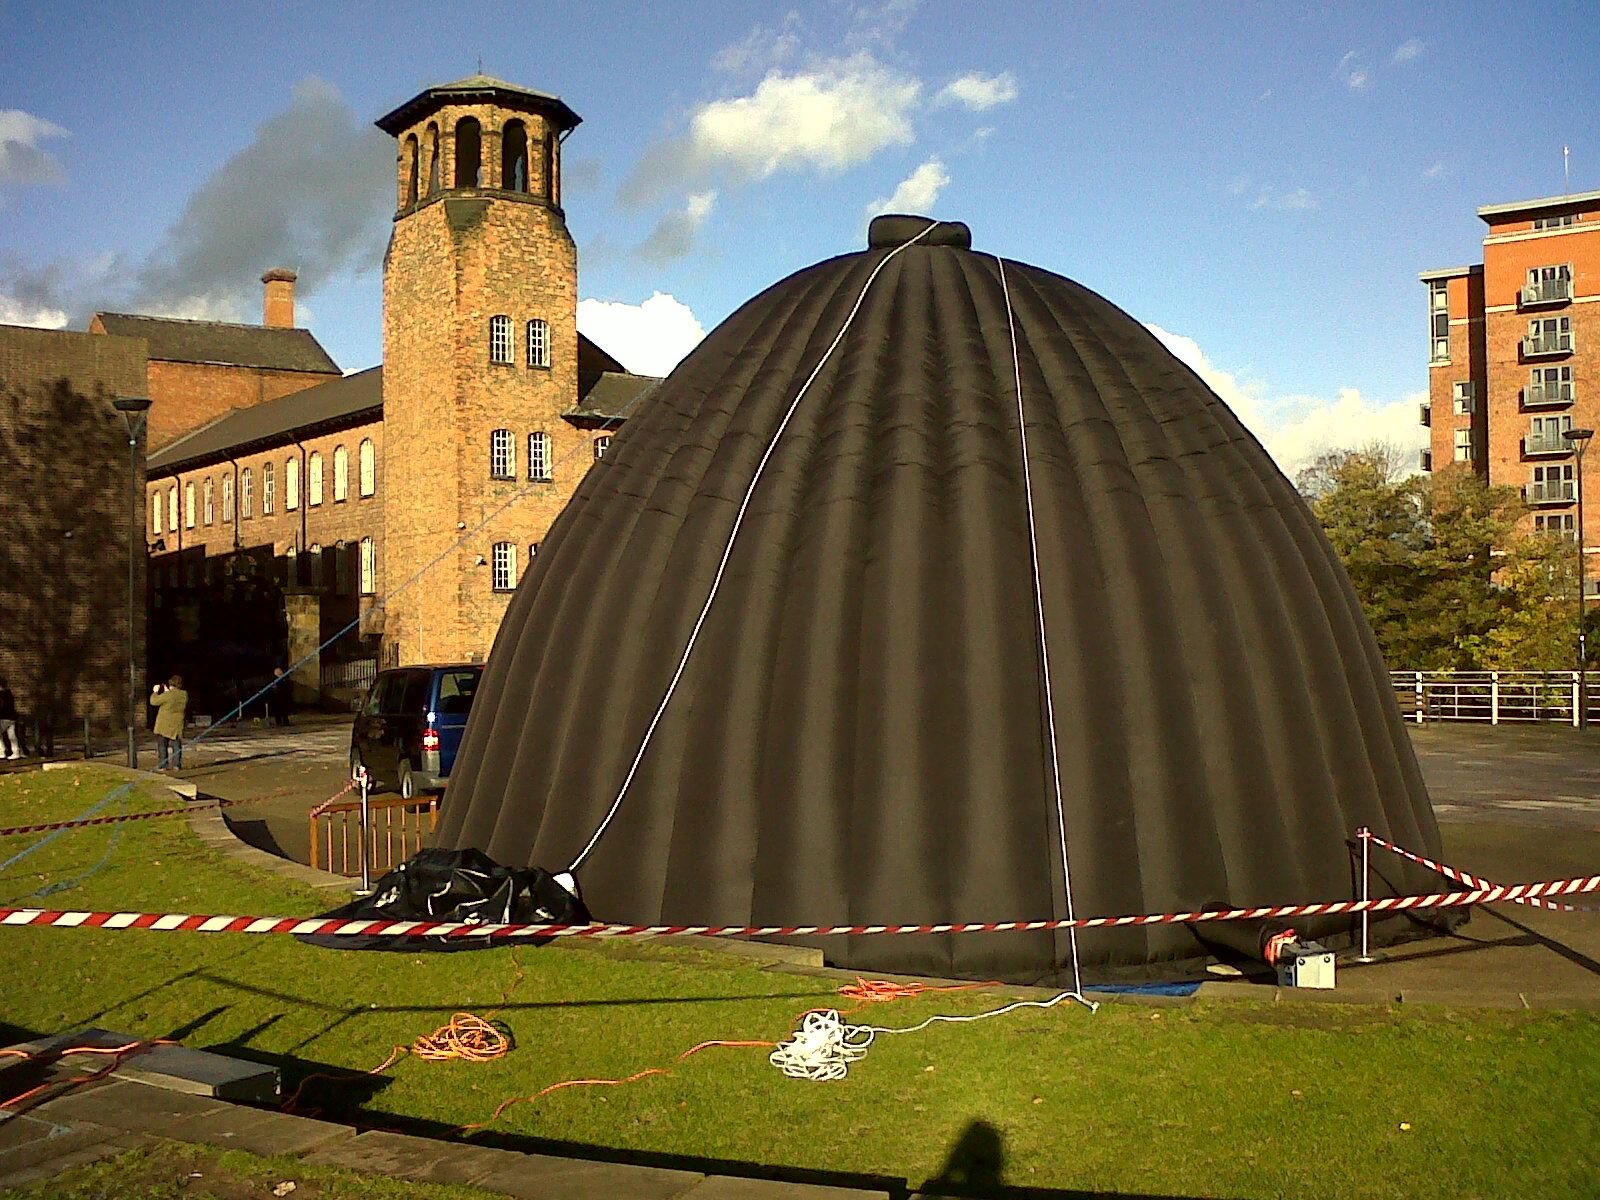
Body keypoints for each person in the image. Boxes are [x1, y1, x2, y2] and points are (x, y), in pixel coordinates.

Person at [149, 674, 189, 770]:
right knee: (176, 745)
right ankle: (177, 765)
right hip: (177, 723)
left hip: (164, 724)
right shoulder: (184, 694)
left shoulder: (167, 695)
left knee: (162, 745)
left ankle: (163, 765)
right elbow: (173, 698)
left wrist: (155, 692)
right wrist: (168, 692)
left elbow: (154, 701)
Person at [0, 677, 20, 760]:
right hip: (11, 717)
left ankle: (2, 751)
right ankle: (16, 752)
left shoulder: (1, 694)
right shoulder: (9, 693)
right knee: (12, 736)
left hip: (3, 717)